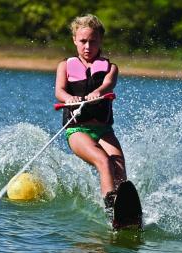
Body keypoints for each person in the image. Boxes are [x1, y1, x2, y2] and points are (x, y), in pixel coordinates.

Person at [55, 14, 139, 225]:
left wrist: (98, 91)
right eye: (83, 41)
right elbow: (59, 92)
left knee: (119, 164)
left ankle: (126, 209)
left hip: (104, 131)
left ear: (100, 40)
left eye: (93, 41)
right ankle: (111, 209)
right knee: (104, 161)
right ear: (75, 39)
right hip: (77, 130)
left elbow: (108, 85)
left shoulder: (110, 68)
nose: (87, 46)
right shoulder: (65, 66)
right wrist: (69, 98)